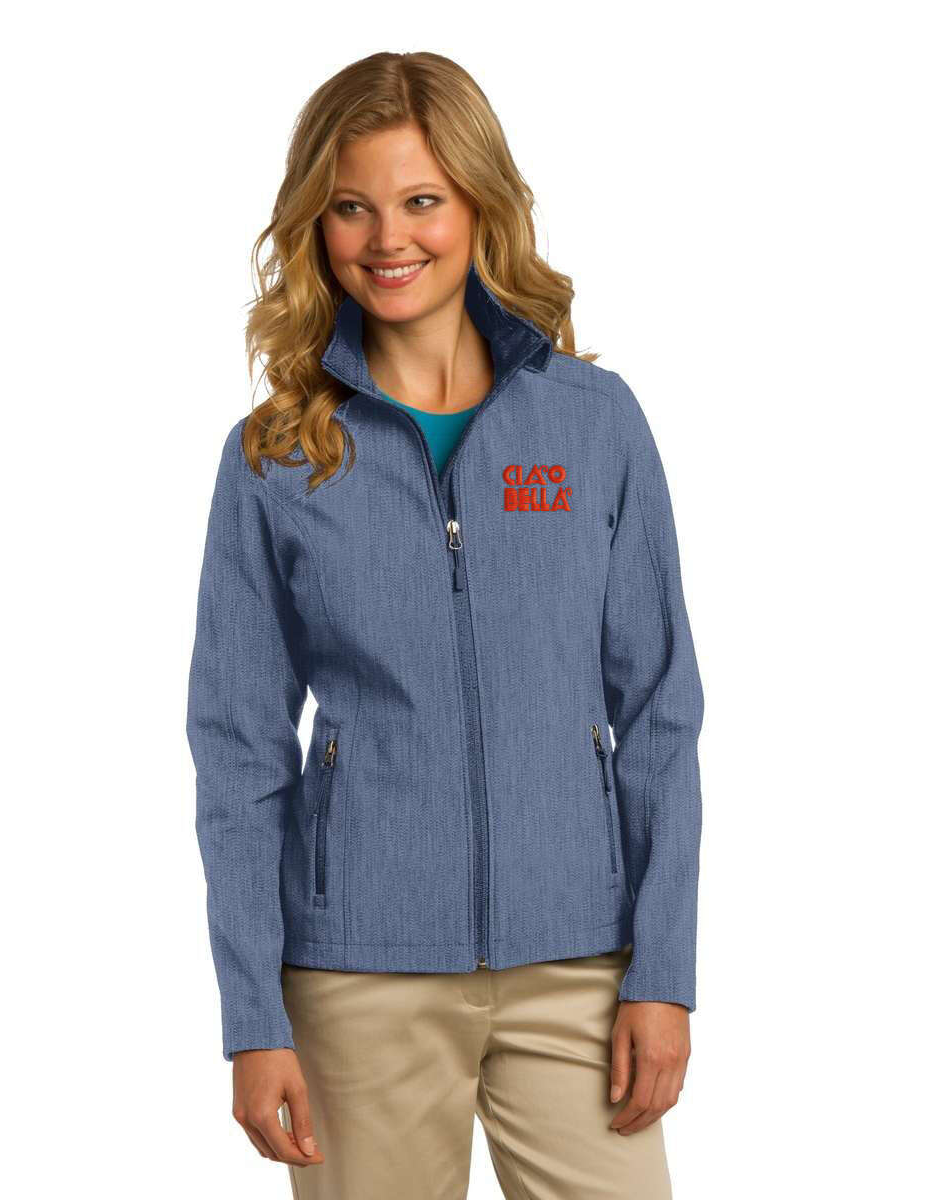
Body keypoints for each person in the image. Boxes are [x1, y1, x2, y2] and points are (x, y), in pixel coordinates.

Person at [186, 50, 705, 1200]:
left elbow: (661, 712)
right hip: (358, 976)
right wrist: (253, 1017)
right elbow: (237, 750)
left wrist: (663, 969)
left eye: (421, 200)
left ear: (479, 204)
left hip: (579, 965)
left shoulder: (593, 423)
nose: (388, 239)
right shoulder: (277, 456)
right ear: (315, 224)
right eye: (351, 208)